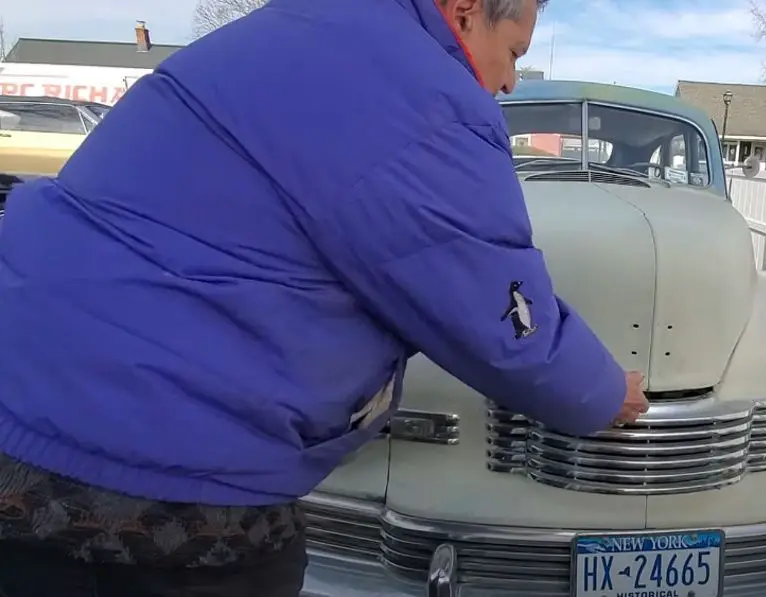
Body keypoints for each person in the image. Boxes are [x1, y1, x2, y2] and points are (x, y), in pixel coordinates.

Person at [0, 0, 648, 594]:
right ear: (466, 9)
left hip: (33, 401)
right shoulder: (420, 94)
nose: (510, 83)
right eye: (513, 52)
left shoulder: (300, 28)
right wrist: (604, 391)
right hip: (157, 476)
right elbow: (498, 311)